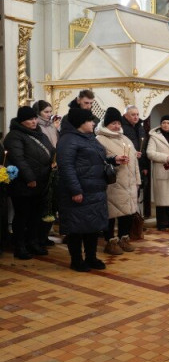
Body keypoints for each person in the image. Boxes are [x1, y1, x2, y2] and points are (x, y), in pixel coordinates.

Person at [57, 108, 126, 272]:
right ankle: (76, 260)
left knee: (92, 227)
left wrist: (113, 159)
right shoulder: (68, 140)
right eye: (90, 120)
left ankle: (91, 257)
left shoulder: (89, 138)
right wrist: (75, 190)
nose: (93, 123)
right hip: (80, 191)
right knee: (76, 228)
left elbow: (97, 159)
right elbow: (66, 167)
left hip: (95, 190)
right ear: (80, 123)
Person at [4, 106, 56, 259]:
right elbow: (18, 159)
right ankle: (19, 246)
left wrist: (54, 161)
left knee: (36, 215)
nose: (34, 122)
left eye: (34, 118)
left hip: (42, 182)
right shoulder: (14, 136)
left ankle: (33, 242)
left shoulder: (40, 134)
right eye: (29, 119)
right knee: (22, 216)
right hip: (23, 184)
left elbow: (51, 151)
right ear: (21, 121)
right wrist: (30, 178)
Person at [96, 108, 141, 255]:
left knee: (127, 212)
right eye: (113, 123)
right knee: (111, 212)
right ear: (106, 124)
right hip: (112, 183)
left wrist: (137, 180)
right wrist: (115, 160)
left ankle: (124, 238)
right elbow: (98, 161)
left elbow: (135, 163)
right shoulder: (100, 139)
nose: (116, 126)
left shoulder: (125, 139)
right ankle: (110, 241)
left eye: (118, 123)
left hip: (129, 183)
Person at [121, 105, 149, 215]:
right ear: (125, 115)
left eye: (137, 114)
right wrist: (132, 154)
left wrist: (144, 165)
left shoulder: (140, 127)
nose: (136, 117)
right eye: (133, 115)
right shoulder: (121, 128)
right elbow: (121, 147)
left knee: (137, 193)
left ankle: (136, 218)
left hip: (139, 165)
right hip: (126, 165)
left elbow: (143, 147)